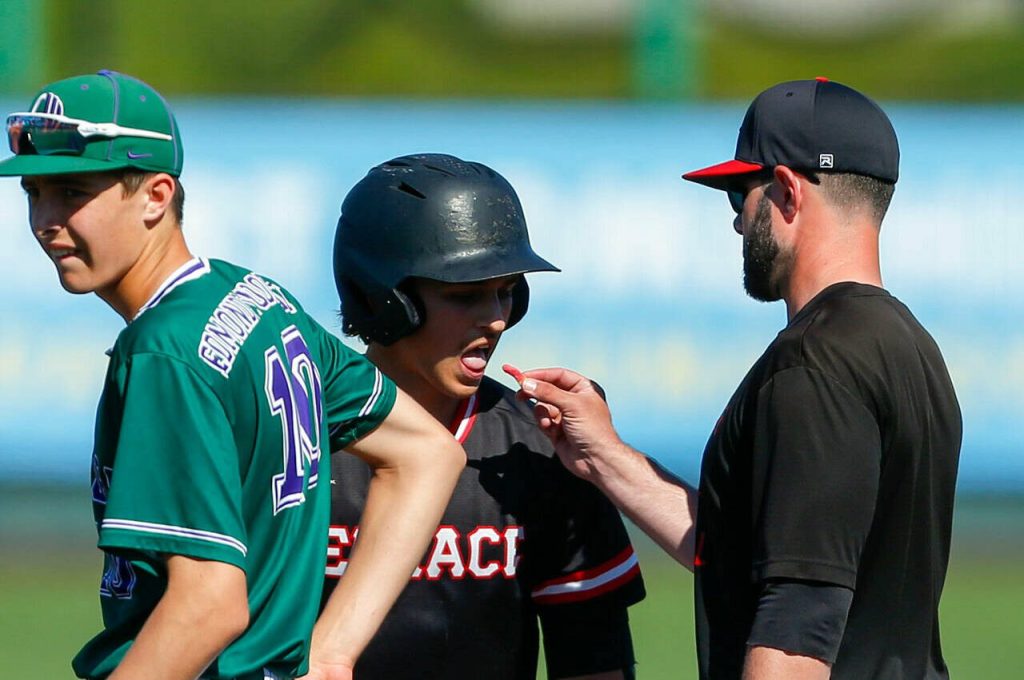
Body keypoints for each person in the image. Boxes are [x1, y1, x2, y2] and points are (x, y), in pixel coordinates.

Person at [0, 70, 464, 680]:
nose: (45, 219)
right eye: (34, 192)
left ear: (156, 196)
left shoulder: (164, 352)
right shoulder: (254, 298)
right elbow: (426, 453)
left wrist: (331, 651)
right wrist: (331, 652)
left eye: (73, 192)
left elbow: (208, 604)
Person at [514, 79, 962, 679]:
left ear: (787, 192)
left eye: (738, 195)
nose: (736, 223)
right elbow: (754, 551)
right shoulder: (908, 347)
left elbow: (799, 624)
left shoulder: (813, 364)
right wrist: (604, 457)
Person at [324, 153, 646, 679]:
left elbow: (594, 659)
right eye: (465, 295)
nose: (496, 319)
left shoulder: (542, 447)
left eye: (507, 292)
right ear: (384, 299)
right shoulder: (296, 438)